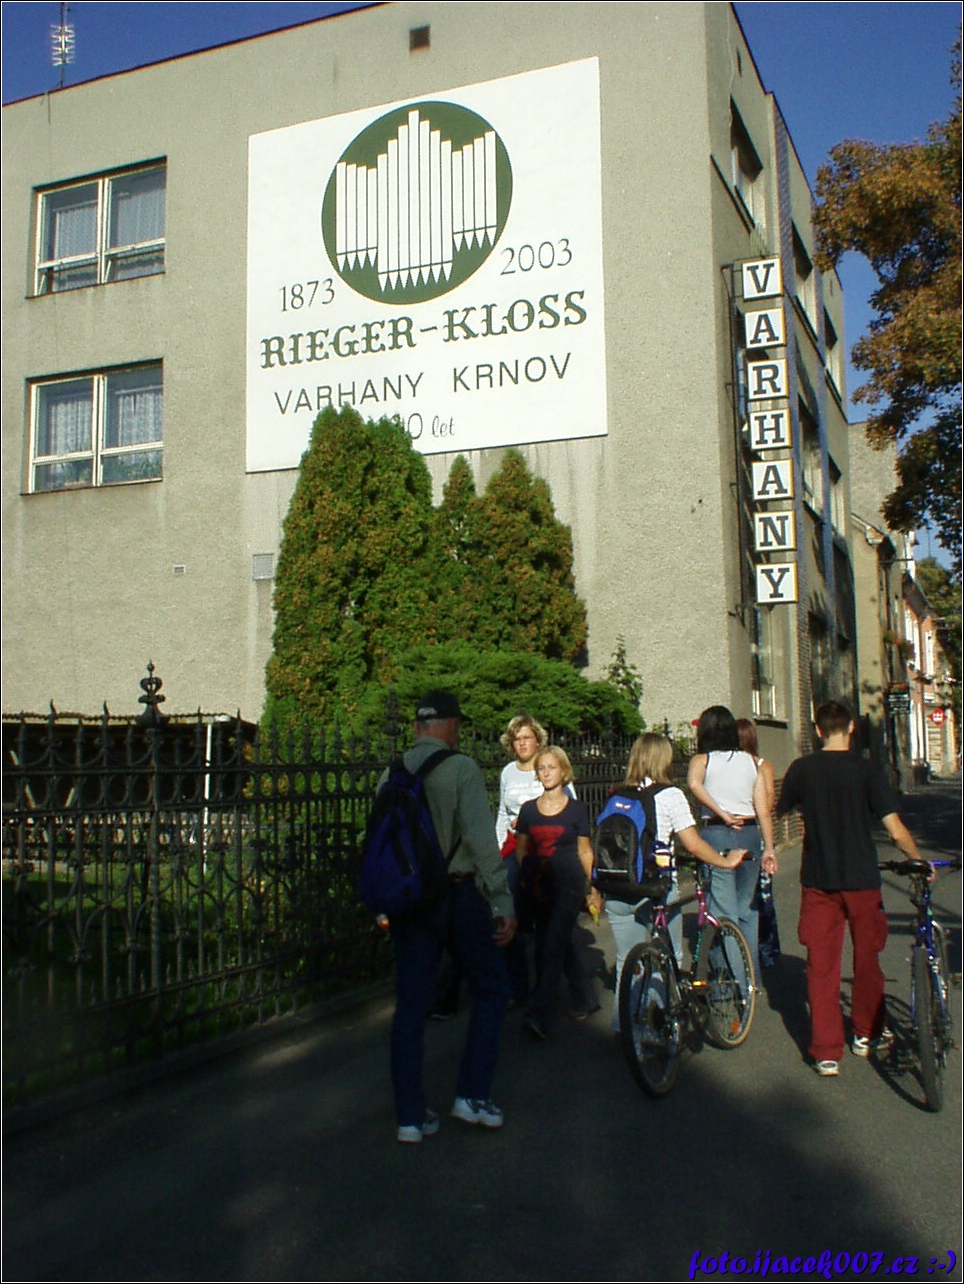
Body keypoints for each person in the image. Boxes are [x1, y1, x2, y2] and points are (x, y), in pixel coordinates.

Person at [385, 690, 516, 1142]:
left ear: (417, 726)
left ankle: (409, 1117)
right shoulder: (460, 768)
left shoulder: (394, 771)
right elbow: (481, 841)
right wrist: (501, 902)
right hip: (457, 894)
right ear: (450, 725)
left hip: (410, 900)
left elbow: (383, 842)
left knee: (411, 1005)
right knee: (492, 989)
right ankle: (471, 1096)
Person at [776, 700, 927, 1077]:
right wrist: (917, 859)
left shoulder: (801, 770)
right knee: (867, 960)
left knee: (821, 965)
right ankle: (866, 1033)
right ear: (852, 728)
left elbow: (781, 809)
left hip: (818, 879)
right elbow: (894, 828)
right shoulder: (866, 771)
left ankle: (826, 1052)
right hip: (861, 878)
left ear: (818, 730)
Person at [602, 733, 749, 1033]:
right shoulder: (669, 795)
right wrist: (724, 861)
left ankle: (625, 1031)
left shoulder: (617, 795)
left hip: (617, 888)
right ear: (664, 759)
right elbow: (692, 844)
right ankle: (662, 1031)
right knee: (668, 960)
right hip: (654, 889)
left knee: (627, 963)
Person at [432, 714, 555, 1015]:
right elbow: (502, 812)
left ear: (538, 740)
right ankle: (517, 985)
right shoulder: (508, 773)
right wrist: (497, 848)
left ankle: (561, 989)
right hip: (514, 848)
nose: (522, 744)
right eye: (517, 739)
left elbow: (567, 801)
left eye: (527, 738)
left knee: (550, 919)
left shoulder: (548, 766)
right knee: (504, 908)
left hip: (544, 846)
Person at [514, 746, 600, 1039]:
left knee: (551, 945)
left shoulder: (576, 809)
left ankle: (539, 1014)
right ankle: (586, 997)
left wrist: (594, 888)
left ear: (564, 771)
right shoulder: (528, 810)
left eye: (552, 767)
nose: (546, 773)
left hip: (569, 884)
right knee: (556, 943)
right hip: (540, 885)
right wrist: (527, 873)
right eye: (542, 768)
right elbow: (521, 849)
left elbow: (585, 851)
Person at [687, 705, 777, 980]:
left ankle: (731, 982)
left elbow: (694, 784)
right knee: (747, 911)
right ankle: (751, 979)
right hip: (750, 833)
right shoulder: (750, 762)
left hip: (717, 833)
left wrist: (722, 812)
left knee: (722, 914)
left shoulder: (703, 760)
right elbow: (763, 810)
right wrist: (769, 848)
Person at [736, 717, 781, 968]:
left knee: (751, 895)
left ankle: (756, 949)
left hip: (746, 831)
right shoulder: (759, 766)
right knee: (758, 895)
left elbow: (768, 803)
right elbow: (769, 803)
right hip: (752, 832)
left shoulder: (760, 766)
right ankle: (762, 950)